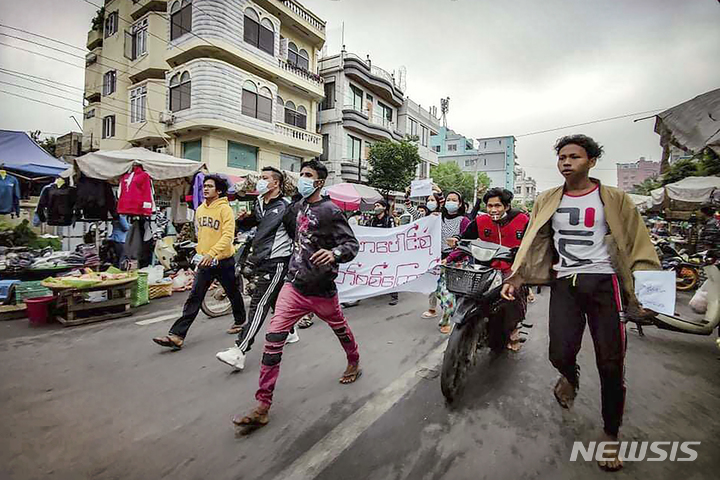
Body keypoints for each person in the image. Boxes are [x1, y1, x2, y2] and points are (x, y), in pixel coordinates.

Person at [500, 134, 660, 471]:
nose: (566, 162)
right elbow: (534, 242)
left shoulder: (615, 199)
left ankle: (610, 435)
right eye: (562, 158)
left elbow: (640, 244)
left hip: (605, 284)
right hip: (565, 283)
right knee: (558, 350)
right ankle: (569, 377)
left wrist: (649, 293)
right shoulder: (547, 199)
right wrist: (516, 276)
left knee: (611, 363)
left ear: (591, 161)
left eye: (574, 156)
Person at [232, 160, 361, 435]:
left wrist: (334, 254)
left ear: (319, 182)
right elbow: (281, 228)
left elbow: (351, 244)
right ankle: (262, 406)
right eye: (301, 174)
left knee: (340, 329)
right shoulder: (296, 207)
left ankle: (353, 359)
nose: (303, 179)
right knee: (273, 339)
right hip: (294, 285)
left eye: (308, 175)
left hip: (322, 289)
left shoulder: (330, 210)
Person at [216, 167, 299, 371]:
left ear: (276, 183)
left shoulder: (285, 207)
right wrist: (244, 219)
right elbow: (256, 221)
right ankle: (290, 332)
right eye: (260, 178)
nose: (260, 182)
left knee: (259, 304)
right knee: (276, 300)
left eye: (264, 178)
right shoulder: (261, 202)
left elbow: (290, 233)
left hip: (276, 261)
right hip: (261, 259)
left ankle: (240, 350)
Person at [153, 175, 246, 350]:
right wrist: (200, 252)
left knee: (232, 291)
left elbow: (227, 236)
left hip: (223, 260)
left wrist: (212, 253)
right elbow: (201, 234)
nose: (205, 189)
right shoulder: (200, 209)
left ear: (219, 190)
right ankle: (177, 335)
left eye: (210, 186)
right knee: (194, 296)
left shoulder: (225, 210)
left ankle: (240, 320)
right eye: (204, 186)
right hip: (205, 261)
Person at [447, 187, 530, 352]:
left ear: (506, 206)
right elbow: (464, 237)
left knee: (512, 298)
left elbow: (534, 243)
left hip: (511, 269)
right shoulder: (481, 221)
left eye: (497, 206)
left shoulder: (522, 220)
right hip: (486, 268)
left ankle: (514, 327)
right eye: (490, 206)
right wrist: (455, 240)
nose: (493, 210)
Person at [436, 191, 471, 334]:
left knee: (449, 292)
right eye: (448, 199)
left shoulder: (464, 221)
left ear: (460, 204)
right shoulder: (438, 219)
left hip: (458, 262)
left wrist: (450, 258)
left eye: (454, 200)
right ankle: (452, 313)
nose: (450, 202)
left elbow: (465, 244)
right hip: (440, 260)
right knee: (439, 292)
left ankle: (447, 320)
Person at [370, 199, 399, 306]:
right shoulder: (372, 221)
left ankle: (394, 296)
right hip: (376, 251)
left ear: (384, 208)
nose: (376, 207)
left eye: (378, 205)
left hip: (388, 251)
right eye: (375, 206)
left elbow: (393, 233)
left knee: (390, 272)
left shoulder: (389, 220)